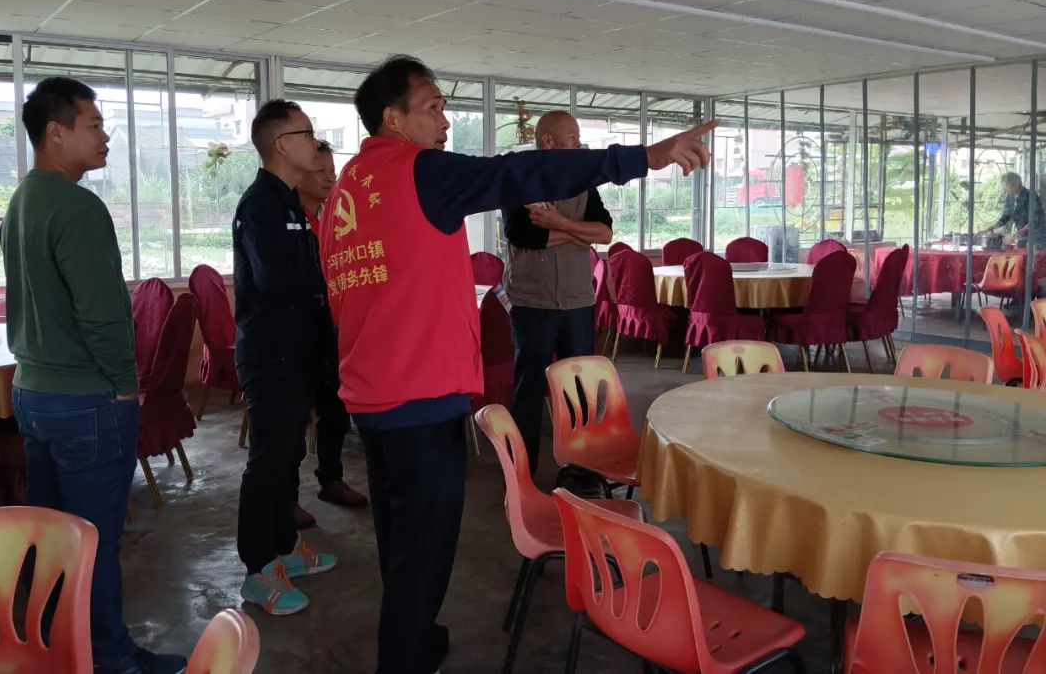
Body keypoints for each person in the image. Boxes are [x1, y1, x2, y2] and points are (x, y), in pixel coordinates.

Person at [320, 55, 714, 674]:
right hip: (420, 395)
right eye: (433, 107)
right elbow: (518, 172)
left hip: (371, 396)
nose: (444, 121)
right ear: (392, 118)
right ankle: (403, 658)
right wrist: (643, 156)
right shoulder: (416, 169)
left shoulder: (345, 188)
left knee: (400, 536)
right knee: (426, 546)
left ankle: (418, 637)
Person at [0, 77, 186, 674]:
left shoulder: (21, 201)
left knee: (55, 538)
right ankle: (110, 660)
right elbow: (103, 314)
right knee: (93, 543)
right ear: (56, 133)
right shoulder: (78, 207)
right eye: (94, 125)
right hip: (86, 399)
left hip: (32, 393)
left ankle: (57, 650)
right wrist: (126, 386)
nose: (106, 136)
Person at [233, 99, 338, 616]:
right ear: (281, 144)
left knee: (289, 455)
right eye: (307, 134)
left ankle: (284, 547)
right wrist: (336, 277)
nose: (315, 143)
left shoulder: (289, 202)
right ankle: (258, 568)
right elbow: (276, 279)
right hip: (271, 353)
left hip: (298, 350)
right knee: (269, 462)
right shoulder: (261, 205)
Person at [501, 110, 613, 473]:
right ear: (548, 141)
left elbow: (605, 233)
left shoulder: (582, 181)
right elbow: (524, 235)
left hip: (578, 300)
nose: (579, 145)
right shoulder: (520, 178)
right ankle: (522, 472)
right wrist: (579, 233)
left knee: (579, 389)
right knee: (529, 389)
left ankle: (579, 469)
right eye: (572, 138)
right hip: (532, 301)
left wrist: (558, 223)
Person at [290, 141, 367, 531]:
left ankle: (331, 479)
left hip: (332, 330)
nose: (330, 178)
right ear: (298, 175)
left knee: (335, 410)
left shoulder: (336, 215)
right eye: (320, 171)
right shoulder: (288, 218)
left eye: (332, 171)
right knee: (294, 420)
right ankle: (286, 499)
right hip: (299, 335)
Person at [979, 172, 1045, 245]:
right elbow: (1005, 217)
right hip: (1023, 237)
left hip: (1037, 236)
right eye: (1004, 185)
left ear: (1015, 185)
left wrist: (1021, 231)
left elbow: (1035, 219)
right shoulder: (1010, 197)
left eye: (1007, 185)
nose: (1005, 188)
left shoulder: (1030, 196)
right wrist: (988, 230)